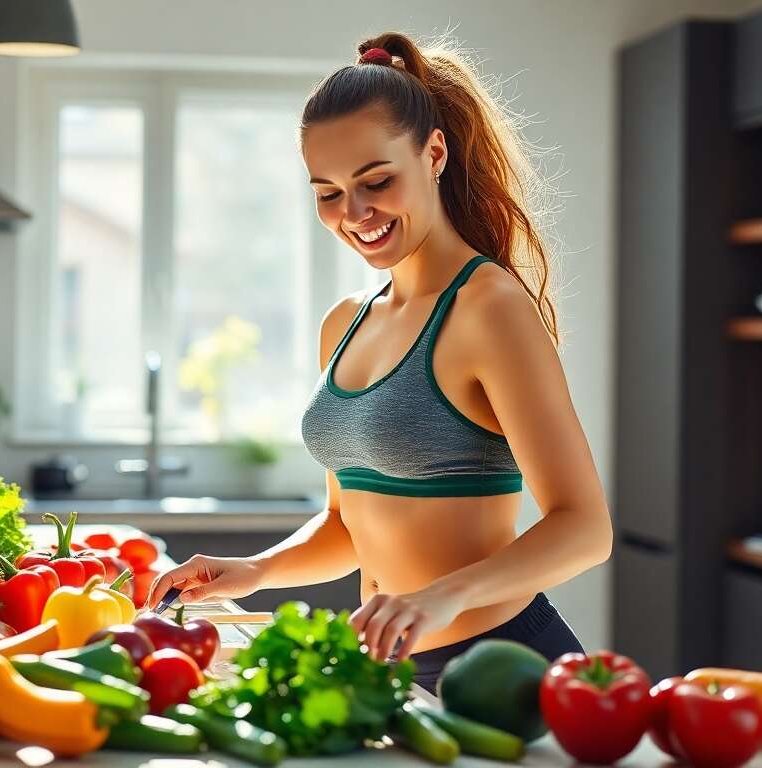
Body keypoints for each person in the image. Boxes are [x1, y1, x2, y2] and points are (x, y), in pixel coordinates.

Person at [146, 31, 611, 692]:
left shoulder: (488, 309)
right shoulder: (346, 322)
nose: (354, 213)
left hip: (498, 664)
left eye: (376, 181)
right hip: (389, 670)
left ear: (435, 153)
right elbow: (348, 524)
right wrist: (258, 569)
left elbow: (584, 528)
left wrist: (442, 596)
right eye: (328, 192)